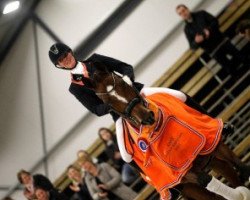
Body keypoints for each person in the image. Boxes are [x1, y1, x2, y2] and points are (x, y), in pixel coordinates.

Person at [48, 43, 143, 122]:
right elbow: (96, 109)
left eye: (65, 55)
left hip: (134, 93)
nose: (65, 59)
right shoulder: (75, 88)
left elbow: (125, 67)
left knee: (156, 95)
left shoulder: (96, 59)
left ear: (70, 52)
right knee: (123, 144)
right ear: (59, 65)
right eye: (60, 60)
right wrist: (112, 102)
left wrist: (126, 80)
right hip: (120, 113)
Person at [176, 4, 246, 75]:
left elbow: (215, 21)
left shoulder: (201, 14)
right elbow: (192, 46)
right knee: (231, 70)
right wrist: (196, 41)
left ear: (187, 9)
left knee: (241, 57)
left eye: (183, 10)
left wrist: (209, 30)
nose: (183, 14)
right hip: (213, 51)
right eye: (180, 13)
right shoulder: (187, 29)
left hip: (222, 42)